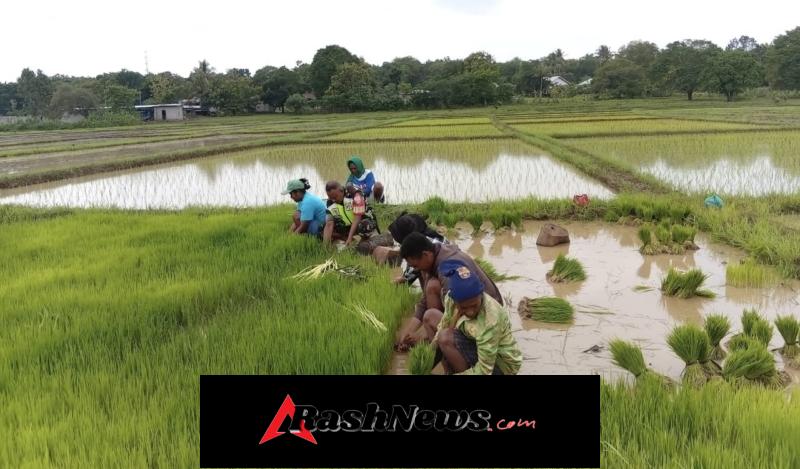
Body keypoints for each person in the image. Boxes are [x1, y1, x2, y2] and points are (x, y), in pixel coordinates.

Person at [394, 232, 503, 352]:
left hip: (485, 317)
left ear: (425, 254)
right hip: (474, 310)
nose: (416, 269)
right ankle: (433, 340)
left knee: (431, 314)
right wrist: (408, 332)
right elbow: (425, 301)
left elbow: (454, 312)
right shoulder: (437, 253)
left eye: (416, 266)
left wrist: (420, 336)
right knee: (432, 286)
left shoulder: (447, 267)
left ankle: (442, 348)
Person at [431, 259, 522, 375]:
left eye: (474, 305)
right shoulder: (450, 299)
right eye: (463, 307)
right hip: (476, 342)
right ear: (455, 300)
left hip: (501, 365)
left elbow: (485, 371)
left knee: (446, 337)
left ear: (480, 295)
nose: (470, 312)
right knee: (431, 316)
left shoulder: (491, 319)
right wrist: (426, 357)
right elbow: (444, 324)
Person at [322, 181, 379, 248]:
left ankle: (361, 241)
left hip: (362, 220)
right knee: (323, 229)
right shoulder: (330, 202)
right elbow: (329, 224)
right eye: (331, 197)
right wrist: (324, 247)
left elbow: (357, 217)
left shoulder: (356, 194)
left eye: (335, 197)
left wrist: (349, 237)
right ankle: (348, 239)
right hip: (348, 225)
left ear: (341, 191)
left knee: (364, 225)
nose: (333, 200)